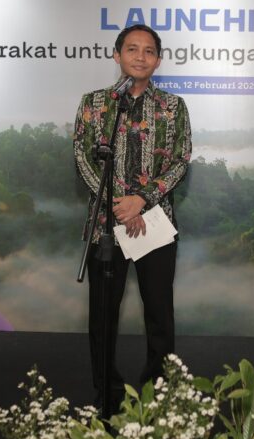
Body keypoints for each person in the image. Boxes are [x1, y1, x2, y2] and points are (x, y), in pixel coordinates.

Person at [73, 24, 192, 411]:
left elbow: (180, 161)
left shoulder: (173, 107)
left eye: (149, 51)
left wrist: (141, 200)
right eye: (132, 49)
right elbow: (83, 157)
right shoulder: (94, 104)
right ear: (116, 55)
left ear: (158, 59)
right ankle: (106, 396)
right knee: (102, 317)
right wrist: (115, 205)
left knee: (159, 314)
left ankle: (158, 395)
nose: (140, 57)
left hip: (154, 223)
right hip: (105, 229)